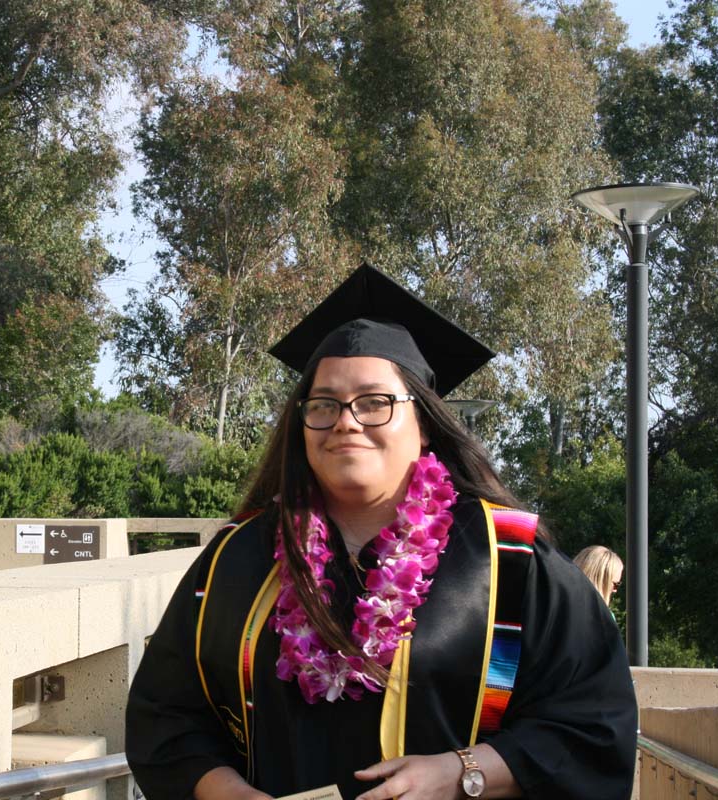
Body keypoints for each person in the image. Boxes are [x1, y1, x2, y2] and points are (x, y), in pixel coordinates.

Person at [125, 264, 638, 800]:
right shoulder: (238, 558)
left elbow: (593, 724)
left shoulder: (509, 560)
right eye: (323, 405)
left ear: (424, 424)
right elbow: (165, 716)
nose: (346, 421)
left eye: (375, 403)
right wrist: (229, 794)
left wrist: (465, 773)